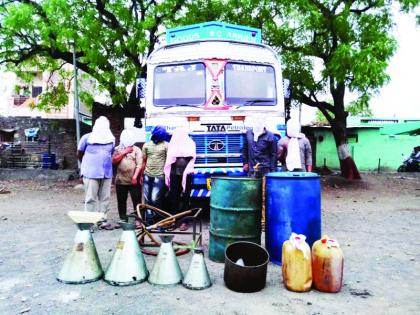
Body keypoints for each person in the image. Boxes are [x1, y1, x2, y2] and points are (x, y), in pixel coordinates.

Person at [77, 116, 115, 221]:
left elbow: (110, 154)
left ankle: (102, 220)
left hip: (106, 173)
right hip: (91, 173)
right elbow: (80, 153)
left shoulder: (111, 139)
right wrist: (85, 166)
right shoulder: (87, 138)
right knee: (90, 198)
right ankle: (90, 221)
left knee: (105, 198)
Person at [164, 128, 196, 231]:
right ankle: (173, 220)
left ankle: (184, 222)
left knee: (186, 198)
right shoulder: (172, 144)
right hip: (174, 175)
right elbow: (169, 158)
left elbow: (192, 157)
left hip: (186, 175)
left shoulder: (190, 143)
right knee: (174, 197)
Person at [112, 129, 142, 223]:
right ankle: (123, 219)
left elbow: (139, 164)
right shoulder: (117, 149)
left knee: (136, 200)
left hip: (134, 180)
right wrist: (125, 152)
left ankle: (138, 220)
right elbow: (114, 161)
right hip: (120, 180)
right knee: (121, 201)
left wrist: (135, 177)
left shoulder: (137, 149)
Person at [140, 126, 169, 210]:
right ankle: (149, 220)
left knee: (154, 199)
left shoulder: (166, 145)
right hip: (147, 174)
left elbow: (168, 161)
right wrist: (142, 175)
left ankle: (157, 217)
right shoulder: (146, 145)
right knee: (147, 199)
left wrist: (167, 176)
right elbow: (144, 161)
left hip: (160, 176)